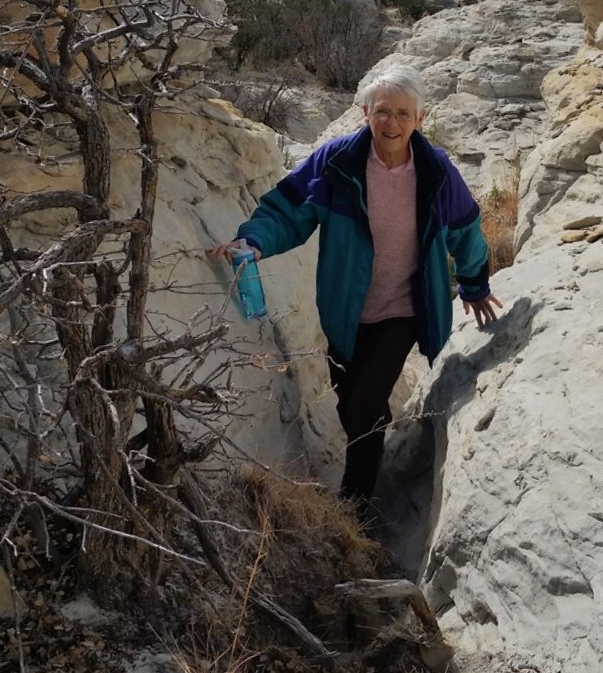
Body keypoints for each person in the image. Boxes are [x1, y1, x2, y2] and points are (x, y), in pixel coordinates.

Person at [208, 63, 502, 509]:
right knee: (352, 409)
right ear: (365, 112)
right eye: (382, 111)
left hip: (405, 310)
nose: (391, 123)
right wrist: (254, 240)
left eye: (403, 114)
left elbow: (466, 231)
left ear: (420, 119)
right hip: (346, 313)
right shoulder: (338, 162)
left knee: (364, 407)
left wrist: (475, 283)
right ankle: (376, 458)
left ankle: (354, 510)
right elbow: (288, 210)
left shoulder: (436, 171)